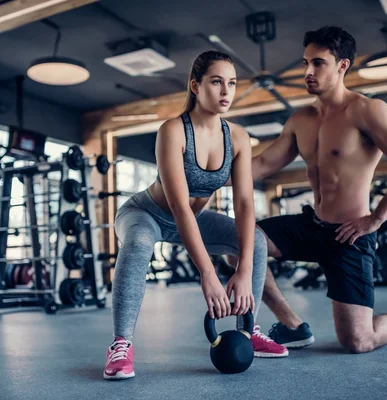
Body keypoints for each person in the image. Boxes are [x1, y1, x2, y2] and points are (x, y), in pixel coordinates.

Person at [103, 51, 288, 381]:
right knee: (139, 241)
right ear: (195, 85)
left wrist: (243, 269)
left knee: (257, 242)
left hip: (194, 219)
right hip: (147, 214)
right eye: (216, 82)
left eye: (231, 83)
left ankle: (248, 330)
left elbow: (245, 203)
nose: (225, 91)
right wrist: (207, 273)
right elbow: (177, 207)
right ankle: (121, 344)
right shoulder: (173, 131)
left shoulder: (238, 138)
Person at [252, 26, 387, 353]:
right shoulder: (301, 119)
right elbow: (262, 164)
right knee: (243, 240)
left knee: (358, 341)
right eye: (305, 62)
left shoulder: (366, 110)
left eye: (318, 63)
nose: (307, 71)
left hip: (350, 235)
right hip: (312, 225)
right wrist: (206, 174)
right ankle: (293, 326)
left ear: (342, 65)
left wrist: (375, 219)